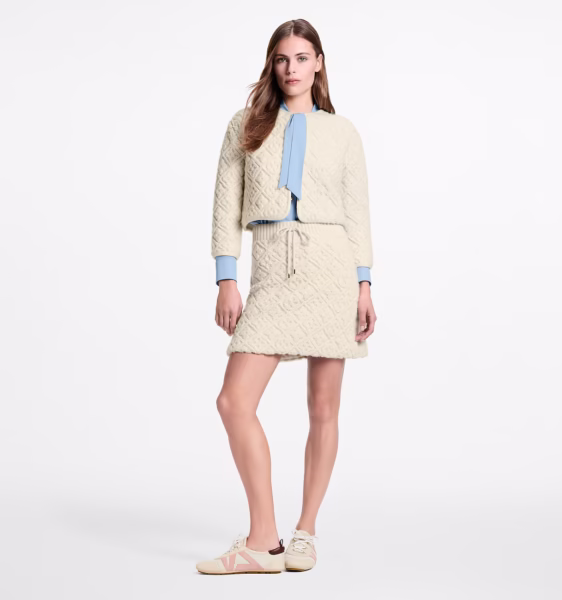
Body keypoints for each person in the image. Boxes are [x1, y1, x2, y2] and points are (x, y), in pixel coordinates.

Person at [196, 18, 377, 575]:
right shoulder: (246, 123)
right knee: (234, 402)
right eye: (282, 59)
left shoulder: (343, 132)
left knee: (323, 408)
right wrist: (227, 277)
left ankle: (304, 533)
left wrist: (364, 284)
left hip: (331, 270)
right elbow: (225, 204)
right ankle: (264, 539)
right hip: (272, 272)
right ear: (272, 65)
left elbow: (357, 212)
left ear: (318, 63)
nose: (291, 68)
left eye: (301, 58)